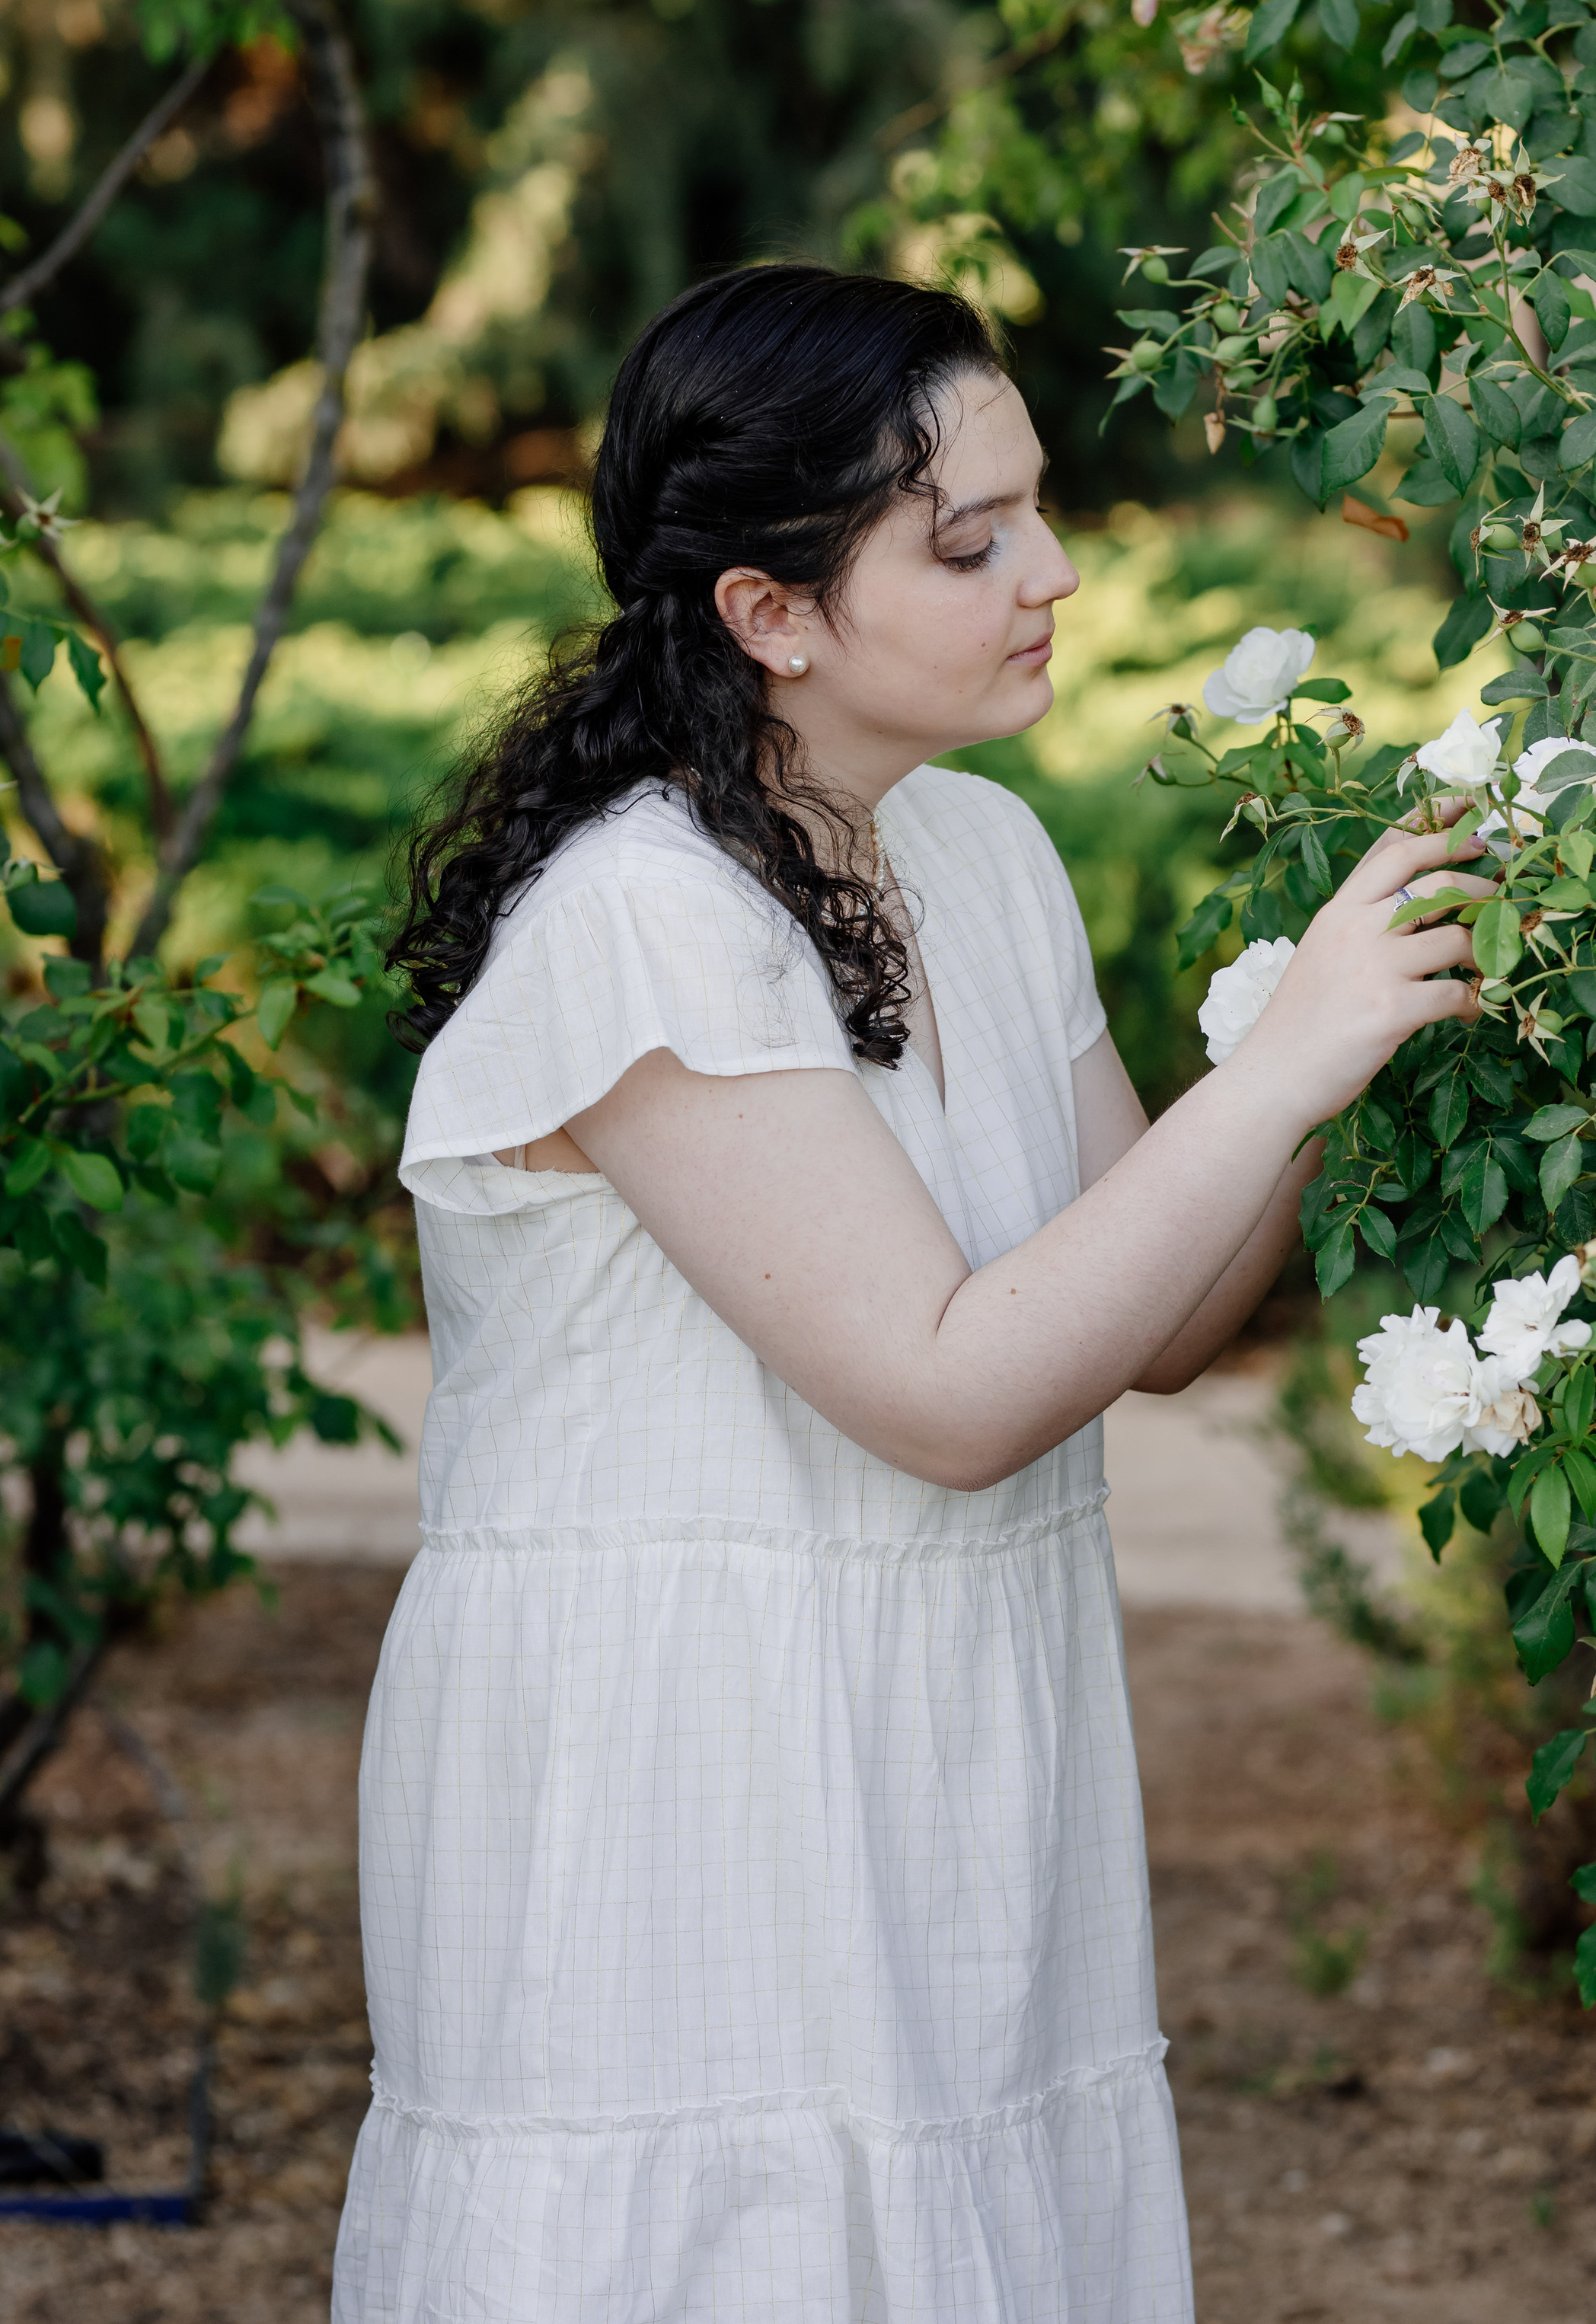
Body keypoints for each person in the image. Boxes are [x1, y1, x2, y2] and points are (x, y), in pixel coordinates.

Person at [335, 263, 1487, 2323]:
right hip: (686, 1767)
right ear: (770, 614)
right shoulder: (639, 923)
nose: (1050, 569)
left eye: (1038, 505)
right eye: (970, 540)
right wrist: (1290, 1052)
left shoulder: (980, 854)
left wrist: (1347, 1040)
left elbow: (1163, 1309)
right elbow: (951, 1393)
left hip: (945, 1743)